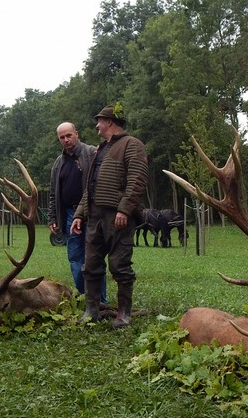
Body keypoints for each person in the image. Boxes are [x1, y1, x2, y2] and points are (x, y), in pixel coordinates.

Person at [71, 104, 148, 328]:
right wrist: (80, 214)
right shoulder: (101, 149)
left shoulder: (132, 145)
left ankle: (124, 314)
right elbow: (90, 187)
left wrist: (124, 209)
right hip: (94, 215)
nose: (97, 125)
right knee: (90, 264)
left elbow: (138, 179)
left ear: (110, 122)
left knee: (120, 265)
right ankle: (91, 311)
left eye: (100, 121)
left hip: (117, 216)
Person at [48, 122, 108, 304]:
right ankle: (84, 298)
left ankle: (101, 300)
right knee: (75, 258)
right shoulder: (59, 163)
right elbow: (53, 194)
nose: (66, 140)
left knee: (94, 258)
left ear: (77, 134)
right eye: (62, 137)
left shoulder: (92, 153)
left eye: (69, 135)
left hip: (91, 214)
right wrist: (52, 217)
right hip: (68, 215)